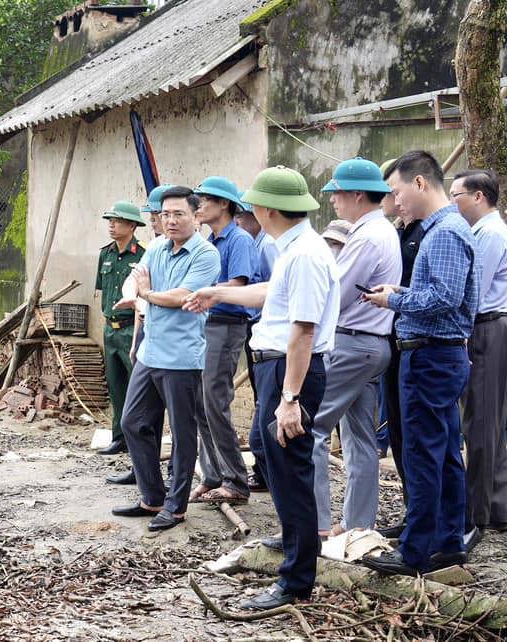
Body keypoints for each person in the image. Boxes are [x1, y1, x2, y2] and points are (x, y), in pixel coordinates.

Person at [185, 166, 339, 609]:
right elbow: (273, 293)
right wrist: (220, 293)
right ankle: (295, 557)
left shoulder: (306, 253)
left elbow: (304, 331)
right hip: (279, 369)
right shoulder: (292, 248)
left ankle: (296, 582)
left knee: (291, 474)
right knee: (281, 469)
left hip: (291, 372)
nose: (251, 208)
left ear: (268, 209)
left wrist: (290, 398)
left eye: (254, 202)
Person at [362, 150, 478, 576]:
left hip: (430, 354)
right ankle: (448, 542)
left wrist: (394, 297)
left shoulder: (444, 232)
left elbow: (444, 298)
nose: (396, 201)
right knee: (444, 451)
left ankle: (415, 551)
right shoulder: (442, 229)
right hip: (436, 353)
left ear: (421, 184)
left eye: (397, 191)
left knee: (423, 455)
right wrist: (400, 290)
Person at [110, 186, 220, 531]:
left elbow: (182, 297)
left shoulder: (205, 254)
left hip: (182, 357)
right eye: (164, 214)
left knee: (183, 434)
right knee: (132, 422)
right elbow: (134, 278)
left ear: (196, 215)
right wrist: (134, 295)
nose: (170, 221)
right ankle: (152, 496)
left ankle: (176, 506)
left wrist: (146, 294)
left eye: (178, 214)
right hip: (150, 351)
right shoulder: (156, 247)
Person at [310, 158, 401, 537]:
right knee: (360, 439)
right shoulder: (380, 231)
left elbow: (338, 293)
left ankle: (312, 525)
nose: (333, 201)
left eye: (339, 194)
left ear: (358, 195)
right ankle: (358, 526)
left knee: (310, 429)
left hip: (352, 343)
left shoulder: (366, 236)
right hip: (370, 345)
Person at [449, 169, 507, 551]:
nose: (452, 201)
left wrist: (459, 336)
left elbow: (474, 290)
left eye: (457, 195)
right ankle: (497, 506)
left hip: (486, 327)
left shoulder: (489, 234)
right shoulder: (487, 231)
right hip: (489, 326)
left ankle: (477, 514)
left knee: (481, 422)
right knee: (491, 421)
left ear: (479, 196)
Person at [190, 177, 256, 505]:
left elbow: (239, 285)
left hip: (228, 324)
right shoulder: (210, 241)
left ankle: (236, 481)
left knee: (215, 401)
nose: (199, 206)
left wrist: (207, 293)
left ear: (224, 205)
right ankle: (212, 474)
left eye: (205, 200)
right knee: (202, 403)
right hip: (208, 322)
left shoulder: (239, 240)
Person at [107, 184, 173, 486]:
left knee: (170, 411)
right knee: (134, 406)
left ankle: (172, 470)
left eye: (157, 215)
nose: (157, 221)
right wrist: (136, 340)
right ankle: (141, 468)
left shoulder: (183, 252)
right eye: (157, 215)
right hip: (140, 332)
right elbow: (136, 294)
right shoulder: (156, 250)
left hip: (171, 341)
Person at [377, 158, 426, 538]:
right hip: (391, 339)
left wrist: (393, 298)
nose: (389, 196)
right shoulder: (396, 231)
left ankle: (430, 518)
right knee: (397, 429)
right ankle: (414, 510)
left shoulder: (429, 234)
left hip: (417, 340)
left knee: (418, 435)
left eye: (393, 189)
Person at [95, 201, 147, 456]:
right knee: (116, 386)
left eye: (117, 221)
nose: (112, 225)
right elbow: (102, 293)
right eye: (110, 221)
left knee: (137, 387)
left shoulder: (143, 256)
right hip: (110, 329)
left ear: (132, 225)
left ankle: (139, 438)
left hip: (131, 327)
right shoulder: (105, 254)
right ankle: (119, 437)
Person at [234, 199, 278, 493]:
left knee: (267, 404)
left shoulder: (268, 246)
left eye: (242, 216)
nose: (238, 222)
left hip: (271, 335)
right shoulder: (256, 243)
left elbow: (274, 292)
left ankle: (267, 473)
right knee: (262, 400)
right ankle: (263, 472)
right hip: (258, 331)